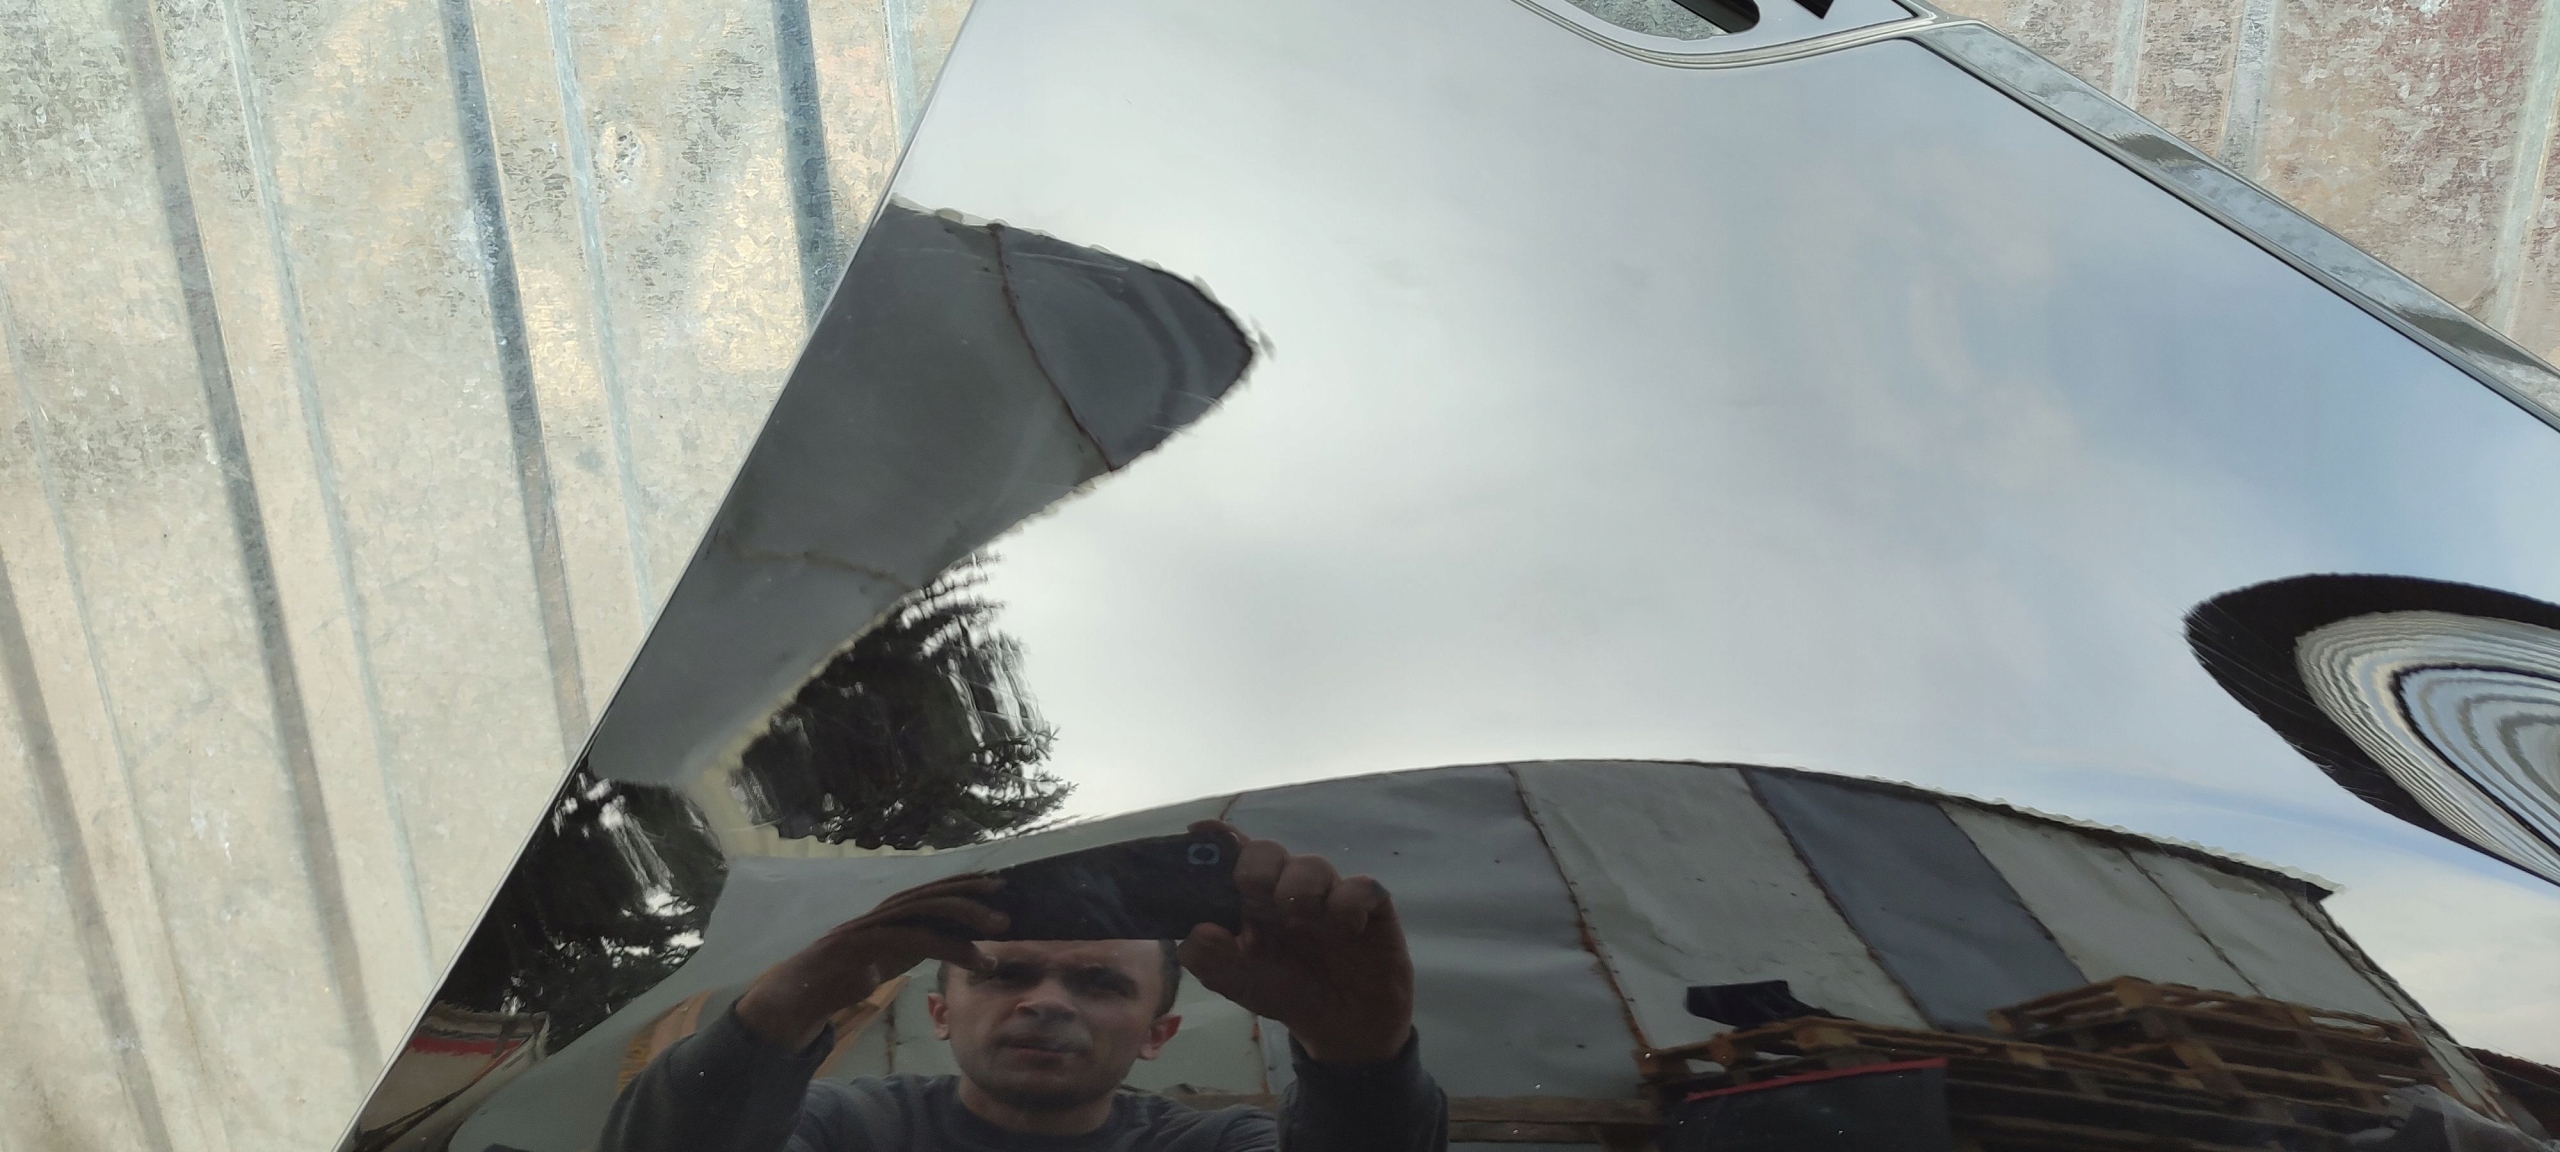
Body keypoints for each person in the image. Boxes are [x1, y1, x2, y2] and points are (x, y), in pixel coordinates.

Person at [599, 821, 1448, 1152]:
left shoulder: (1209, 1145)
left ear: (1157, 1035)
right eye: (1004, 973)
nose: (1046, 1001)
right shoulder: (844, 1128)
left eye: (1100, 983)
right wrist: (788, 999)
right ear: (940, 1012)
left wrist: (1361, 1062)